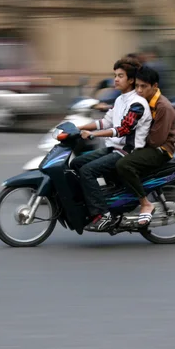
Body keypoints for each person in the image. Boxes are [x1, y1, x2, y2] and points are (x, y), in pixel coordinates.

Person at [71, 57, 152, 232]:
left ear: (131, 80)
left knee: (88, 171)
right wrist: (78, 128)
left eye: (120, 76)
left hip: (128, 152)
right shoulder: (120, 100)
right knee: (76, 163)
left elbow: (123, 129)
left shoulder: (137, 103)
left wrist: (92, 134)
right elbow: (105, 122)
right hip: (114, 148)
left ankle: (103, 215)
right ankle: (93, 200)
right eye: (115, 75)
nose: (115, 79)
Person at [116, 65, 175, 225]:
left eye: (144, 86)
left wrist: (133, 142)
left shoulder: (163, 107)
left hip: (160, 150)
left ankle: (145, 203)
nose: (139, 90)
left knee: (123, 164)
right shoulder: (143, 101)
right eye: (137, 86)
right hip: (146, 145)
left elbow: (156, 139)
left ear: (155, 86)